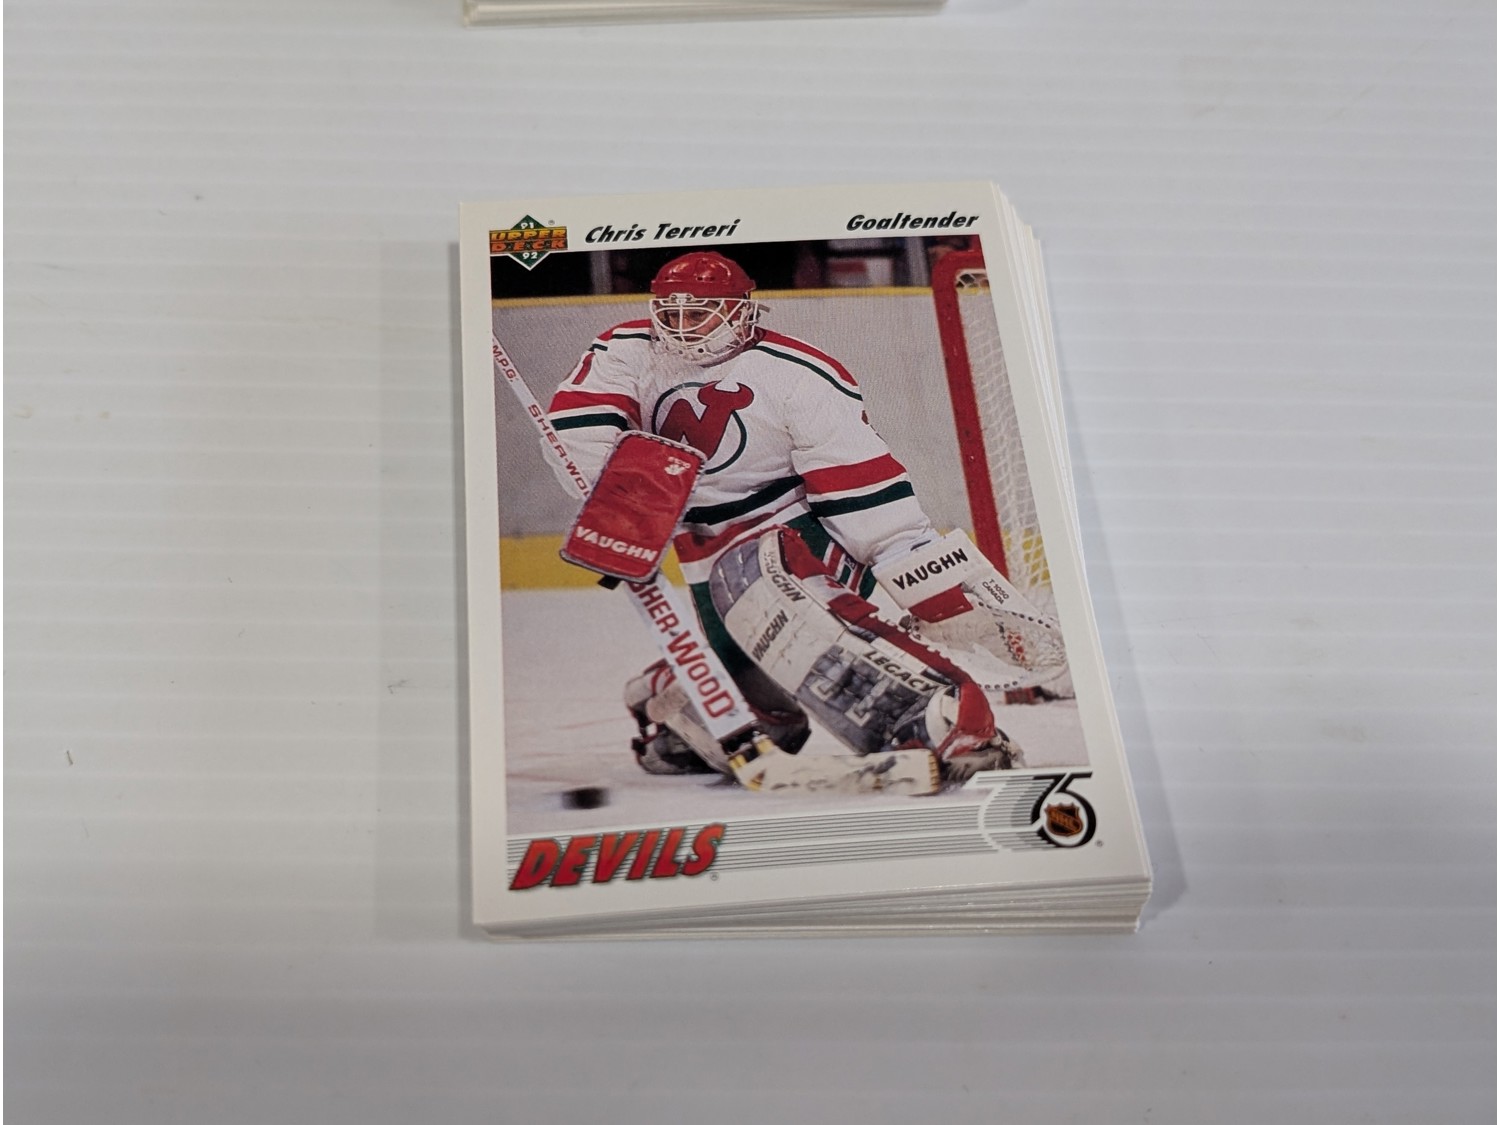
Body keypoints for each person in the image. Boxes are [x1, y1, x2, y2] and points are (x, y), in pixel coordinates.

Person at [546, 250, 1063, 783]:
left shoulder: (799, 373)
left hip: (794, 536)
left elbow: (865, 494)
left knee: (784, 611)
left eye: (698, 313)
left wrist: (933, 589)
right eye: (670, 313)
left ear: (742, 309)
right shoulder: (627, 348)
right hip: (699, 548)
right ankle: (689, 692)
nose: (683, 327)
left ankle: (950, 716)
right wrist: (618, 503)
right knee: (760, 712)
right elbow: (581, 428)